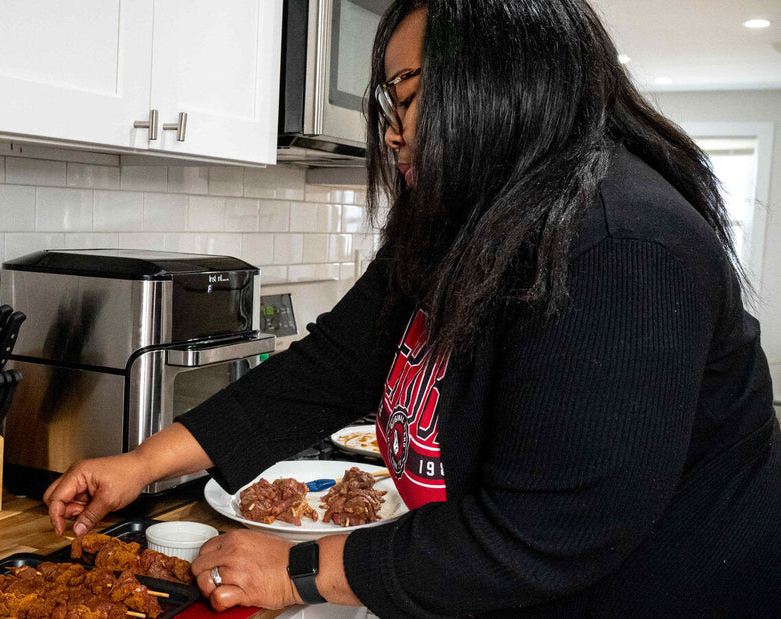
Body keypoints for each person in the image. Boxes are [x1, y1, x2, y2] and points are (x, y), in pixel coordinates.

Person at [43, 0, 781, 615]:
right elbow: (333, 366)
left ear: (498, 79)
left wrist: (297, 570)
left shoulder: (622, 245)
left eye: (407, 94)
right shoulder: (459, 219)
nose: (392, 129)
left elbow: (542, 534)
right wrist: (140, 464)